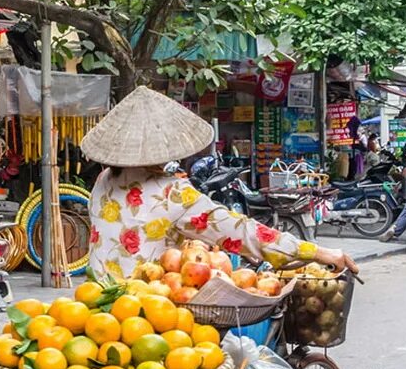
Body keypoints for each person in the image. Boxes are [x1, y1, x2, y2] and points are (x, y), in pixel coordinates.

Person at [83, 87, 359, 279]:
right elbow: (246, 233)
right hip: (147, 315)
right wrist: (318, 252)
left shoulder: (103, 180)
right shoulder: (172, 193)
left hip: (95, 306)